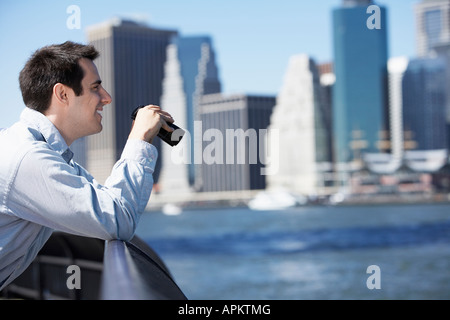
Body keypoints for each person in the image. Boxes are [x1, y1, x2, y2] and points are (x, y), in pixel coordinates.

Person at [0, 41, 174, 291]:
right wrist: (139, 139)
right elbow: (117, 219)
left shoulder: (46, 154)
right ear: (62, 94)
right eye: (95, 87)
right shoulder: (27, 157)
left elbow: (105, 200)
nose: (107, 98)